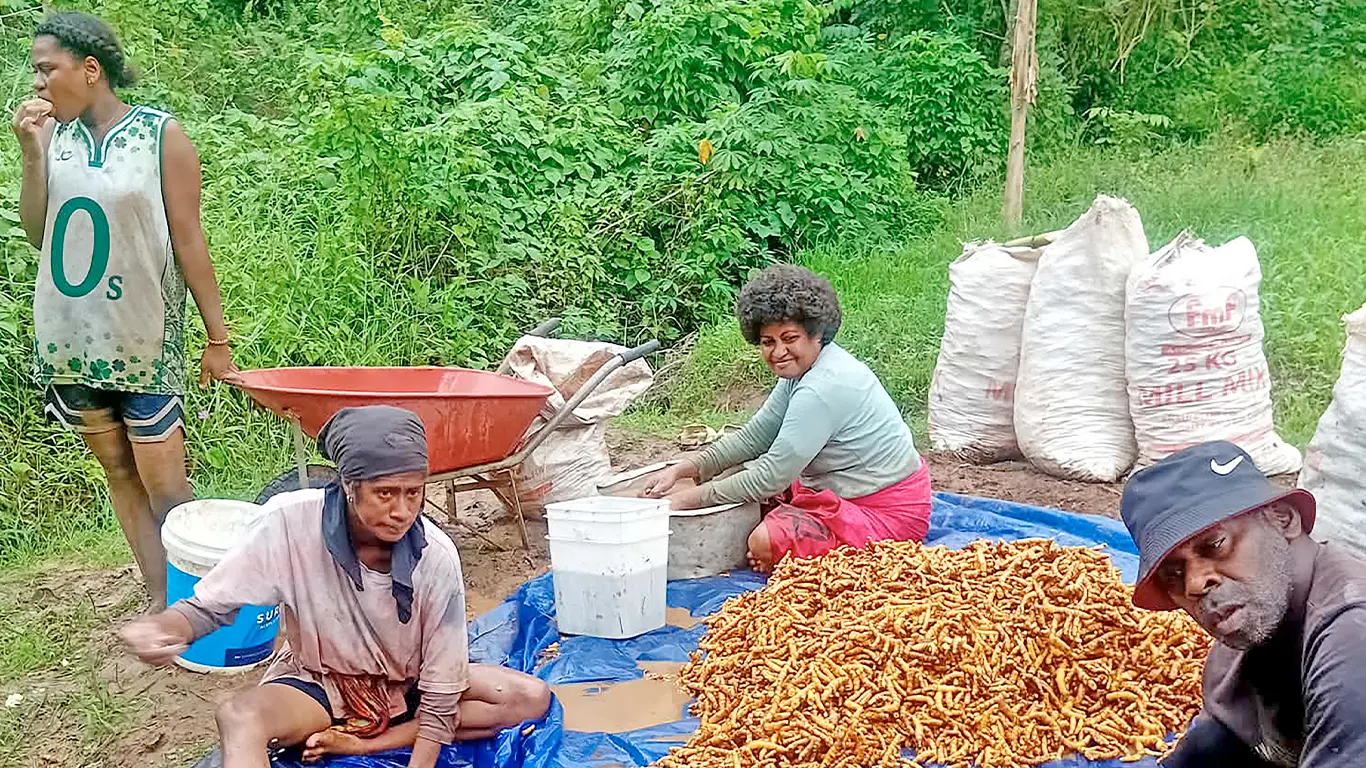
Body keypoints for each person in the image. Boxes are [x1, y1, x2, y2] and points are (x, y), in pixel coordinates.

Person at [119, 406, 551, 768]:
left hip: (407, 683)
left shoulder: (434, 556)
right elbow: (212, 606)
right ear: (348, 486)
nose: (402, 511)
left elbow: (439, 695)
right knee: (239, 716)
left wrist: (390, 754)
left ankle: (363, 742)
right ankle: (342, 730)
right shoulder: (289, 524)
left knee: (530, 696)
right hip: (321, 683)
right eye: (384, 493)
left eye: (414, 493)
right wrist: (170, 627)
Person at [12, 11, 239, 608]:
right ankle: (162, 597)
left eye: (46, 70)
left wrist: (218, 338)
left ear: (90, 70)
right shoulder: (54, 138)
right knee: (117, 472)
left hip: (142, 338)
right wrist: (31, 156)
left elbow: (190, 239)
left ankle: (204, 605)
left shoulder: (161, 136)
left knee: (167, 487)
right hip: (72, 335)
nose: (38, 83)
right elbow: (39, 233)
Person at [642, 264, 931, 572]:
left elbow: (771, 477)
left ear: (816, 334)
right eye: (768, 342)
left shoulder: (824, 387)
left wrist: (687, 501)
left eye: (789, 338)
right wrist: (686, 468)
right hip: (838, 491)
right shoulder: (799, 373)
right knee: (732, 473)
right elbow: (756, 437)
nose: (779, 352)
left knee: (762, 542)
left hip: (885, 511)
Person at [1119, 441, 1366, 767]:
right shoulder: (1243, 644)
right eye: (1173, 574)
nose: (1194, 584)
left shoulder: (1353, 636)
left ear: (1283, 519)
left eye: (1214, 545)